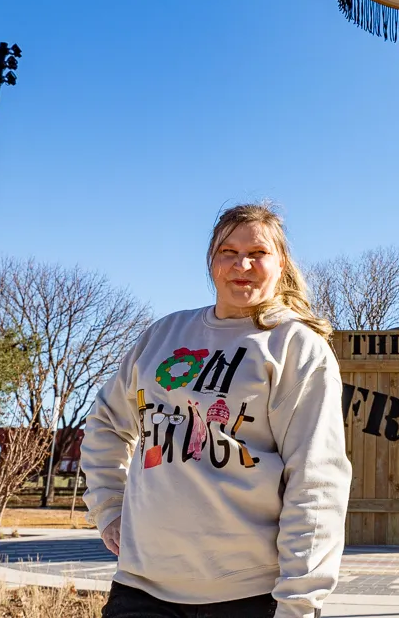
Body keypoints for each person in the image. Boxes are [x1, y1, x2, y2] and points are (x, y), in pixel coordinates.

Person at [81, 204, 351, 618]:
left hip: (246, 594)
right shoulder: (163, 335)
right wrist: (109, 509)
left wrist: (298, 601)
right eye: (228, 251)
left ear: (281, 264)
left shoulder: (295, 347)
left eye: (258, 252)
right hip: (140, 587)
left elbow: (316, 478)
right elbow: (106, 423)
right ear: (212, 261)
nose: (241, 264)